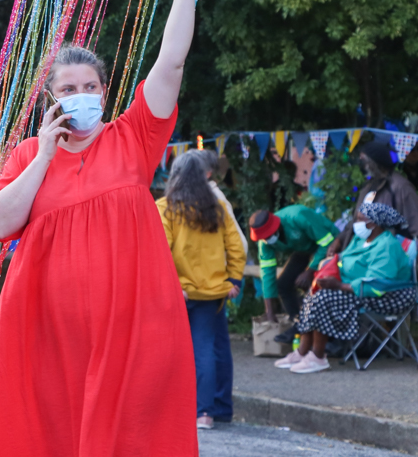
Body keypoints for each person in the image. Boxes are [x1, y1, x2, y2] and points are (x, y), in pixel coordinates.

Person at [0, 0, 208, 457]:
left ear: (105, 91)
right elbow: (2, 223)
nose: (81, 97)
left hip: (131, 329)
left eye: (90, 87)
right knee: (47, 434)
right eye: (68, 89)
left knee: (134, 436)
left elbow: (170, 62)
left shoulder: (133, 135)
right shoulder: (27, 152)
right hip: (46, 335)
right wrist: (43, 159)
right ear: (50, 99)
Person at [157, 151, 246, 430]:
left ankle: (174, 410)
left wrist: (172, 285)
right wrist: (234, 280)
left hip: (177, 292)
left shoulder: (166, 207)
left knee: (170, 352)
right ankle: (206, 414)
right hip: (212, 293)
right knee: (206, 351)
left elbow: (161, 250)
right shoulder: (216, 207)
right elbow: (236, 245)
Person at [275, 202, 416, 374]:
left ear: (374, 224)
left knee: (324, 297)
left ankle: (318, 357)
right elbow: (345, 259)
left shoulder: (386, 246)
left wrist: (339, 285)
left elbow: (377, 284)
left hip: (389, 295)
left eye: (360, 219)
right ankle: (303, 351)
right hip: (357, 288)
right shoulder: (361, 239)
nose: (356, 224)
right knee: (314, 293)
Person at [249, 204, 338, 343]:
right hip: (304, 249)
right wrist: (270, 312)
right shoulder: (264, 242)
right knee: (283, 285)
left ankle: (326, 333)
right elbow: (267, 273)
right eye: (263, 238)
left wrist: (310, 271)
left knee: (317, 285)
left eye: (268, 236)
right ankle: (298, 323)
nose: (267, 240)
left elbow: (327, 243)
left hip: (330, 247)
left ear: (276, 227)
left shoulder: (298, 216)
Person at [330, 142, 418, 255]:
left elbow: (415, 225)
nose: (360, 164)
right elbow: (356, 220)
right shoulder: (369, 186)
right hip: (359, 252)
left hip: (386, 255)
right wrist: (339, 240)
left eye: (363, 160)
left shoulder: (400, 187)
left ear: (375, 162)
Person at [194, 148, 248, 254]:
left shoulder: (216, 198)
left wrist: (231, 269)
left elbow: (239, 245)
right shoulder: (183, 196)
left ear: (208, 173)